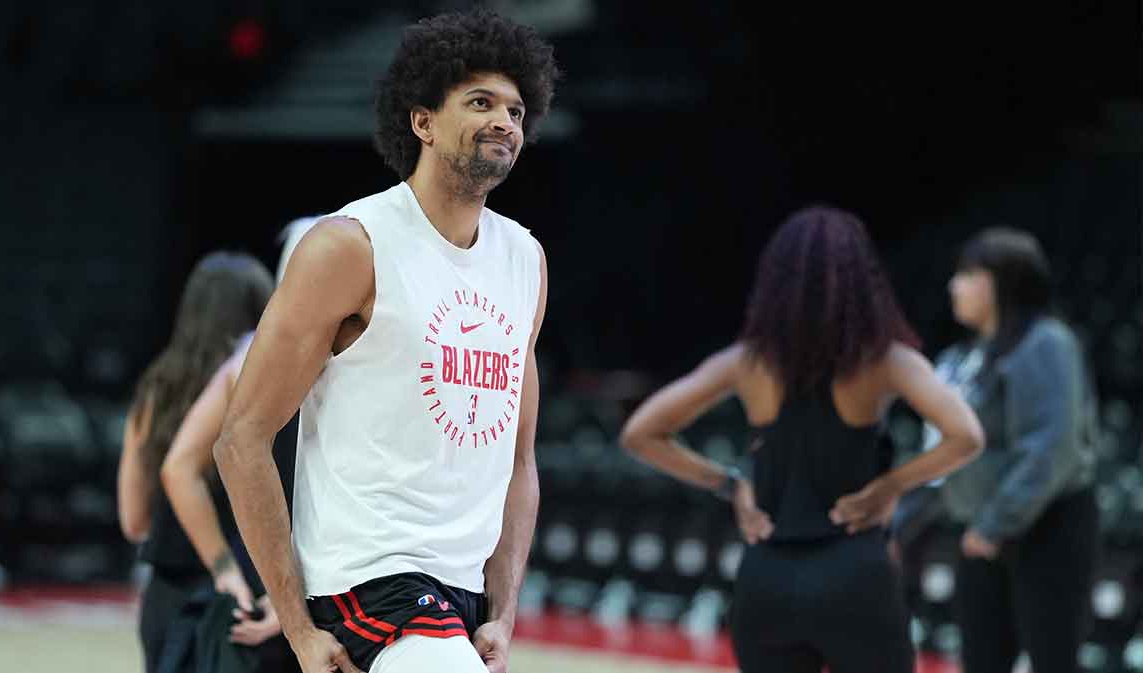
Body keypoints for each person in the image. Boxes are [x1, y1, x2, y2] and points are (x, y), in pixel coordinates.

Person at [212, 9, 560, 673]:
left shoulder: (525, 261)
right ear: (421, 120)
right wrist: (297, 625)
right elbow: (241, 437)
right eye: (480, 102)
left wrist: (504, 609)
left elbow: (520, 461)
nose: (504, 122)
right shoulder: (350, 245)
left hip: (459, 595)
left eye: (516, 111)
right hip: (365, 579)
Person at [619, 205, 985, 673]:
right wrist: (890, 486)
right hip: (857, 574)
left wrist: (731, 485)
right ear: (862, 279)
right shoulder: (888, 360)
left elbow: (640, 433)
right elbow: (967, 436)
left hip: (765, 577)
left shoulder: (747, 361)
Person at [905, 227, 1099, 673]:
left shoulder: (1046, 343)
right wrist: (902, 522)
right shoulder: (965, 356)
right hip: (979, 533)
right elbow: (946, 457)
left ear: (1002, 282)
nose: (954, 285)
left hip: (1047, 528)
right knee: (980, 660)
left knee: (1052, 660)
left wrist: (996, 524)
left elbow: (1052, 447)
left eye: (967, 274)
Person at [158, 219, 318, 671]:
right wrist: (285, 596)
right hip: (294, 589)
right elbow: (181, 468)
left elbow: (178, 468)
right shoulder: (256, 356)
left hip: (298, 587)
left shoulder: (252, 354)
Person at [117, 252, 275, 673]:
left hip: (166, 597)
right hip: (242, 594)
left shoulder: (155, 390)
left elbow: (134, 520)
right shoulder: (257, 383)